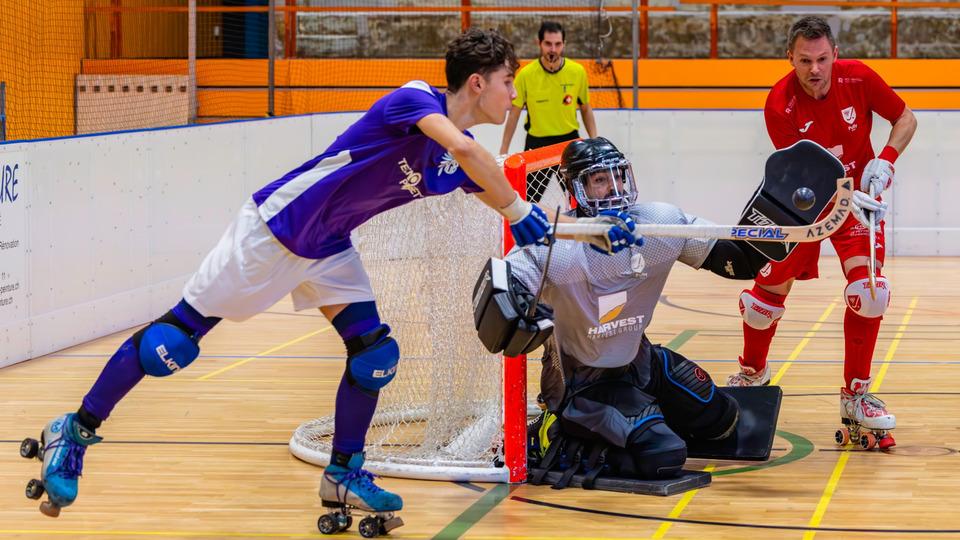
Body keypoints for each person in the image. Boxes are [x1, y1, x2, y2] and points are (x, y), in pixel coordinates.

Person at [21, 29, 639, 523]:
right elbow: (479, 163)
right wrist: (517, 207)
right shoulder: (416, 101)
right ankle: (72, 429)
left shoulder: (457, 153)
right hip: (278, 227)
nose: (514, 95)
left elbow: (487, 182)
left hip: (331, 247)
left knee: (375, 354)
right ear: (477, 83)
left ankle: (343, 472)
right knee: (173, 343)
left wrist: (592, 230)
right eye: (508, 82)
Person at [474, 137, 779, 482]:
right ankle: (551, 436)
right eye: (600, 180)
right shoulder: (551, 247)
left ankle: (642, 416)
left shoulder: (659, 221)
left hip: (640, 362)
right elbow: (500, 297)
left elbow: (737, 260)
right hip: (580, 382)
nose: (614, 188)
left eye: (618, 176)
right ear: (577, 188)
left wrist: (781, 211)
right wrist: (514, 306)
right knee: (664, 456)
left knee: (723, 419)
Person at [726, 16, 917, 449]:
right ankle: (752, 374)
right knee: (761, 302)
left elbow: (905, 119)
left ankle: (856, 395)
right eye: (805, 60)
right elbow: (800, 175)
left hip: (856, 200)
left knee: (871, 291)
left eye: (823, 59)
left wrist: (884, 161)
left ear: (834, 54)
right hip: (802, 202)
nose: (815, 69)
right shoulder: (779, 104)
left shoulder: (860, 78)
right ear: (790, 58)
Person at [498, 21, 597, 201]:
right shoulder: (526, 75)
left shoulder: (577, 72)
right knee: (526, 200)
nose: (553, 49)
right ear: (540, 44)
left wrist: (594, 139)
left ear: (563, 45)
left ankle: (581, 229)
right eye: (548, 44)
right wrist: (504, 149)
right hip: (537, 144)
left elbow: (585, 108)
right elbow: (513, 114)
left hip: (569, 143)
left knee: (580, 198)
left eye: (558, 44)